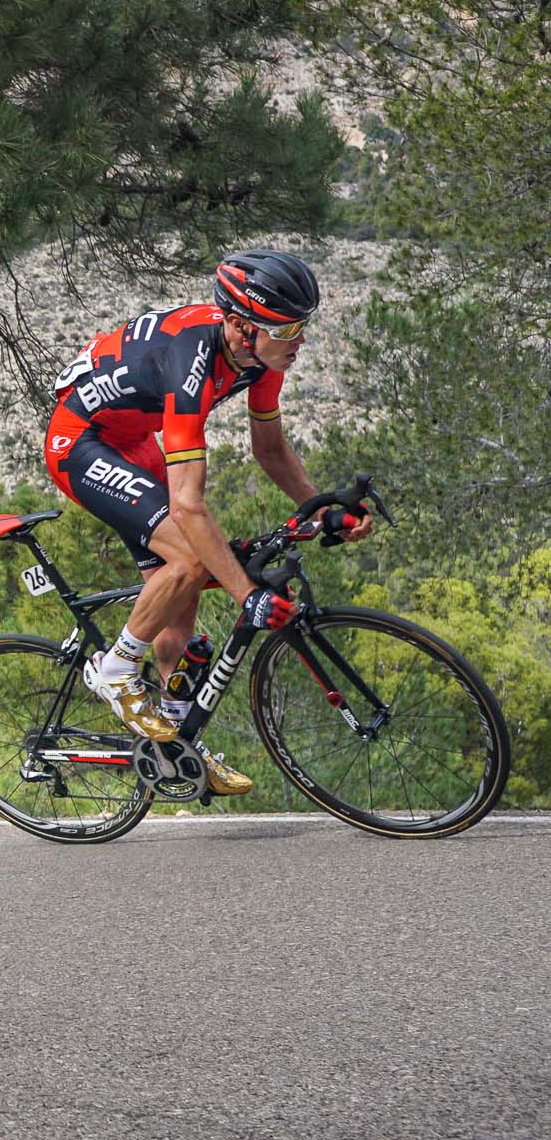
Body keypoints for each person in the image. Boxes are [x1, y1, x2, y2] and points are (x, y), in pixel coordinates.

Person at [42, 250, 372, 796]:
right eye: (289, 327)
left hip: (133, 442)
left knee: (181, 603)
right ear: (243, 327)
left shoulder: (261, 359)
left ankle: (175, 744)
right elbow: (188, 507)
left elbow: (269, 449)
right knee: (191, 555)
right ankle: (115, 671)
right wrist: (247, 594)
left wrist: (321, 509)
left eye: (304, 325)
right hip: (80, 441)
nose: (300, 340)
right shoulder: (190, 360)